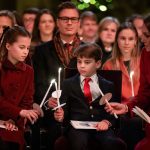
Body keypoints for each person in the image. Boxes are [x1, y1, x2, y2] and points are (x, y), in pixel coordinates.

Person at [53, 43, 126, 150]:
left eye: (87, 62)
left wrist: (106, 122)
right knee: (79, 142)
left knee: (111, 143)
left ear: (97, 63)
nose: (82, 65)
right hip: (77, 129)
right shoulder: (68, 84)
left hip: (101, 127)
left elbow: (113, 112)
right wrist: (60, 115)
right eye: (79, 61)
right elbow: (64, 108)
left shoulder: (108, 85)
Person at [32, 2, 81, 150]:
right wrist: (48, 102)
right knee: (54, 131)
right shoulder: (42, 51)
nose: (69, 22)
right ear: (57, 22)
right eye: (65, 18)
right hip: (52, 110)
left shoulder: (88, 50)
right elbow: (38, 84)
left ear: (79, 22)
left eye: (73, 19)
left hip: (79, 110)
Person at [105, 14, 150, 150]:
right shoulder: (145, 54)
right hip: (135, 110)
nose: (142, 39)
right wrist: (126, 107)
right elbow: (144, 94)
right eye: (142, 34)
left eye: (146, 35)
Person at [0, 26, 39, 150]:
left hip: (15, 122)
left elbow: (27, 101)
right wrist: (19, 112)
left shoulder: (28, 71)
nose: (25, 52)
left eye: (27, 48)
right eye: (21, 47)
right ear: (8, 46)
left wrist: (15, 118)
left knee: (13, 141)